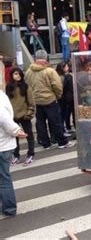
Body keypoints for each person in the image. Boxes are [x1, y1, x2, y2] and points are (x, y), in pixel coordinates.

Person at [25, 50, 74, 150]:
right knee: (56, 121)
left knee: (40, 123)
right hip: (49, 99)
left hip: (36, 100)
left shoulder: (28, 71)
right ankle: (62, 142)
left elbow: (27, 86)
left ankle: (46, 144)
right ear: (46, 57)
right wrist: (57, 95)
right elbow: (57, 85)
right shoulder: (49, 71)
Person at [0, 89, 27, 219]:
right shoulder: (1, 95)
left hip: (2, 145)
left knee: (3, 178)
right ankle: (6, 205)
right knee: (3, 177)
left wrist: (16, 130)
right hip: (4, 143)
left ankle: (9, 208)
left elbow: (4, 119)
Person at [6, 68, 36, 166]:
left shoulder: (26, 87)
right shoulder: (8, 87)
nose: (18, 76)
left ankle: (30, 154)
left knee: (29, 135)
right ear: (11, 75)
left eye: (19, 74)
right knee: (15, 137)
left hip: (24, 115)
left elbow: (31, 102)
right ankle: (16, 155)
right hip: (12, 116)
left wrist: (29, 114)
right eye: (15, 74)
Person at [56, 62, 75, 136]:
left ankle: (66, 128)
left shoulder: (65, 76)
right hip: (64, 98)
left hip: (63, 97)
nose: (68, 68)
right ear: (62, 68)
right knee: (63, 114)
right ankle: (64, 130)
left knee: (65, 113)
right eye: (66, 67)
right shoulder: (63, 77)